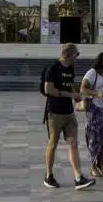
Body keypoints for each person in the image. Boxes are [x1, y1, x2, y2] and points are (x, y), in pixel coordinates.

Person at [41, 43, 96, 190]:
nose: (77, 58)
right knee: (53, 143)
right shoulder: (53, 68)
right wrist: (70, 94)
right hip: (54, 112)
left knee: (73, 143)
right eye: (76, 55)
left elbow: (70, 84)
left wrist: (77, 98)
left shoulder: (70, 68)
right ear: (68, 54)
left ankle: (78, 177)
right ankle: (49, 175)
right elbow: (48, 89)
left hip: (68, 112)